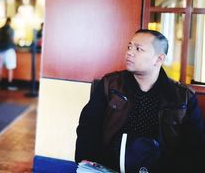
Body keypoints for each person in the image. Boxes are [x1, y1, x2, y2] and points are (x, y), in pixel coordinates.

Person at [75, 29, 205, 173]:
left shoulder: (183, 97)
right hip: (111, 166)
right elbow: (88, 126)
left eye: (138, 49)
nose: (130, 52)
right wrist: (87, 161)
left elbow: (195, 146)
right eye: (129, 47)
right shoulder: (110, 84)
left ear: (159, 59)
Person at [0, 17, 17, 90]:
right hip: (9, 50)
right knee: (10, 67)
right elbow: (13, 40)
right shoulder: (11, 30)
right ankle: (9, 83)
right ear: (10, 22)